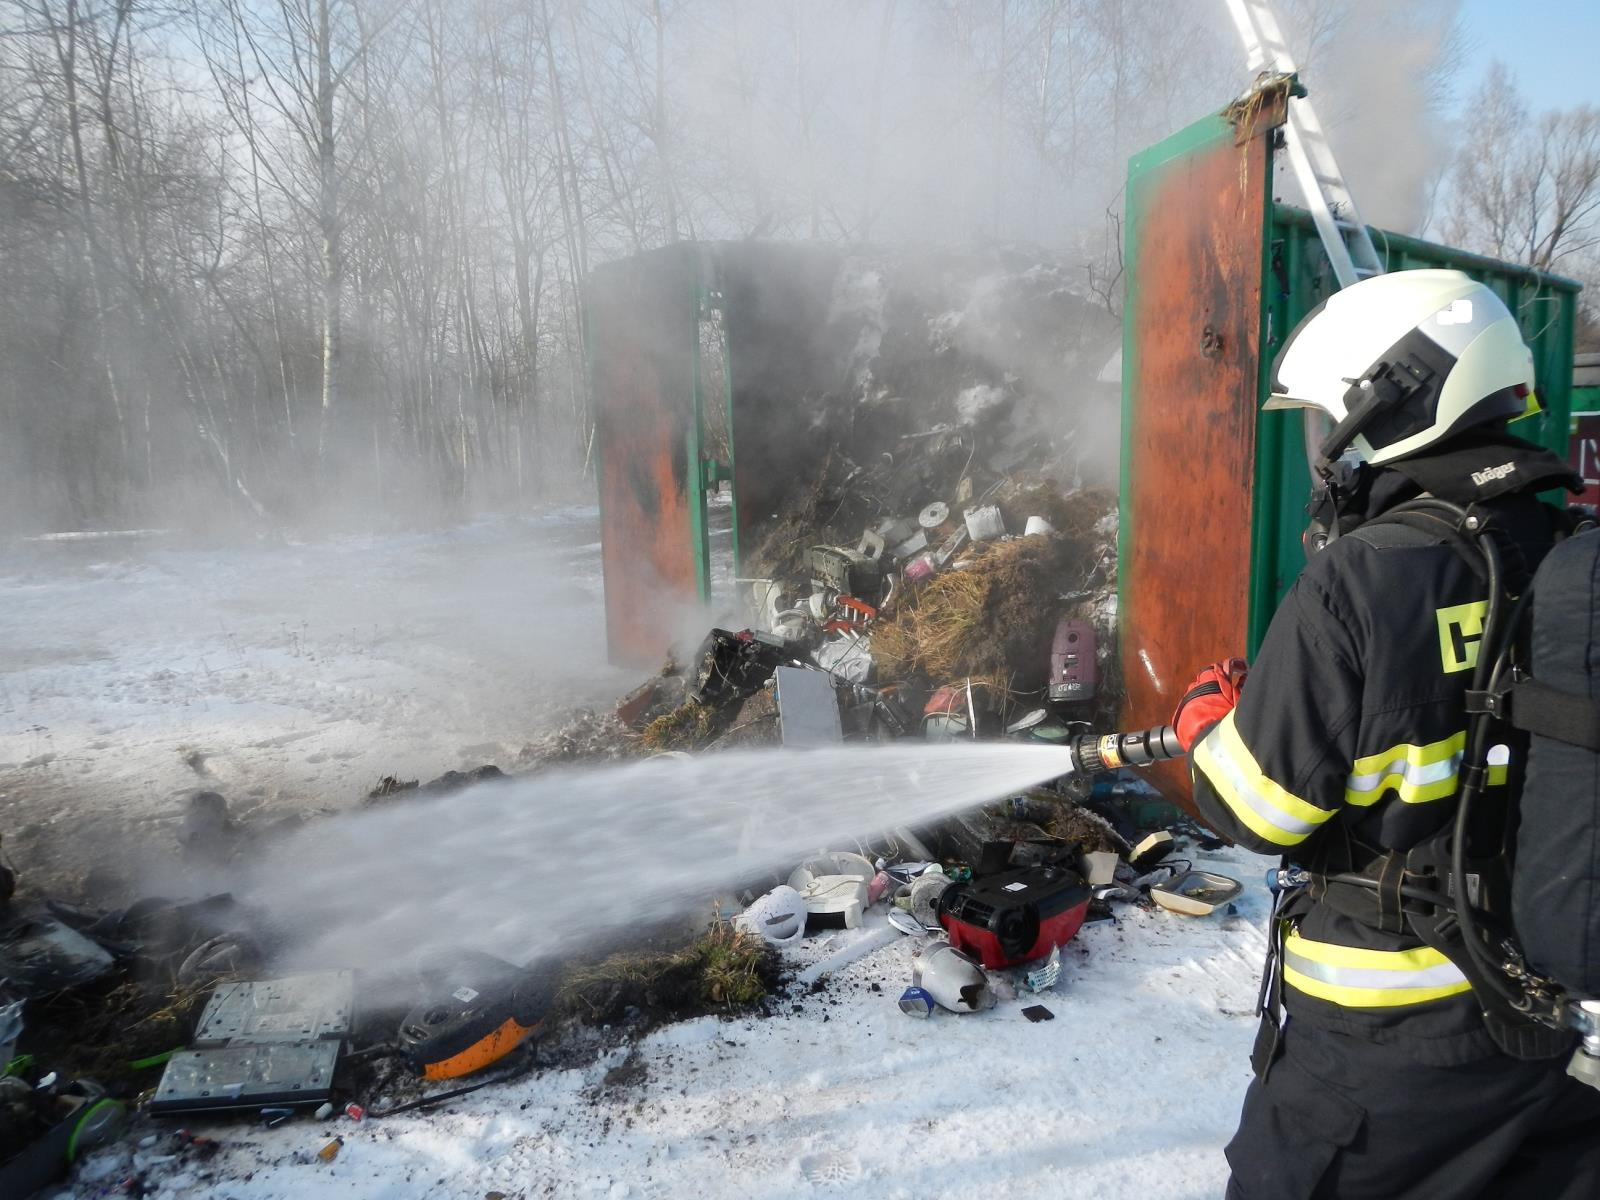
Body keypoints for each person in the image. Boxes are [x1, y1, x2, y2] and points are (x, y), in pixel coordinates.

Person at [1169, 268, 1600, 1200]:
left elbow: (1259, 810)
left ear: (1391, 403)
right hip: (1551, 1022)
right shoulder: (1569, 551)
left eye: (1328, 420)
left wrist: (1209, 724)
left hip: (1386, 1039)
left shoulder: (1363, 578)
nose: (1325, 449)